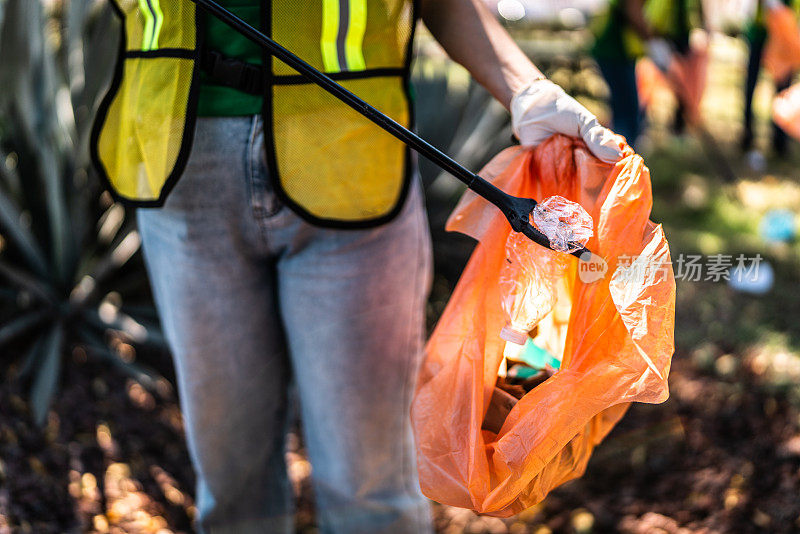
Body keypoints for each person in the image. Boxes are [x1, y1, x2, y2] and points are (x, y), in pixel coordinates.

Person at [90, 1, 621, 532]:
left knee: (371, 491)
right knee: (232, 488)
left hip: (354, 165)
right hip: (177, 162)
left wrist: (526, 89)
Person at [591, 0, 703, 145]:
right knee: (627, 117)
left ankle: (622, 157)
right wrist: (653, 43)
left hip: (622, 52)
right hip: (614, 50)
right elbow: (633, 10)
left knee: (629, 115)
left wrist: (657, 40)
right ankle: (620, 161)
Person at [742, 0, 799, 156]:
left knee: (783, 87)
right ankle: (747, 134)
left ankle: (780, 139)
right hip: (759, 31)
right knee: (751, 84)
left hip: (784, 32)